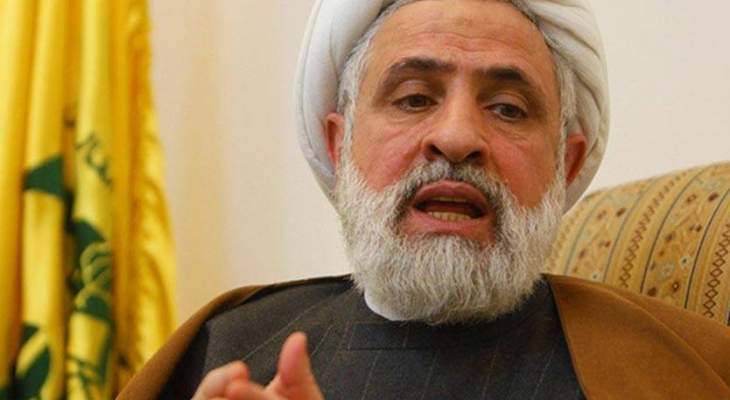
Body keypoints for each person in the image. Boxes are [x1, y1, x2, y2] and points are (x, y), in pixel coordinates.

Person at [119, 0, 730, 399]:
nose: (458, 137)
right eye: (414, 98)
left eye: (508, 109)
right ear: (339, 146)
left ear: (564, 166)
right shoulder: (223, 348)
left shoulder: (683, 366)